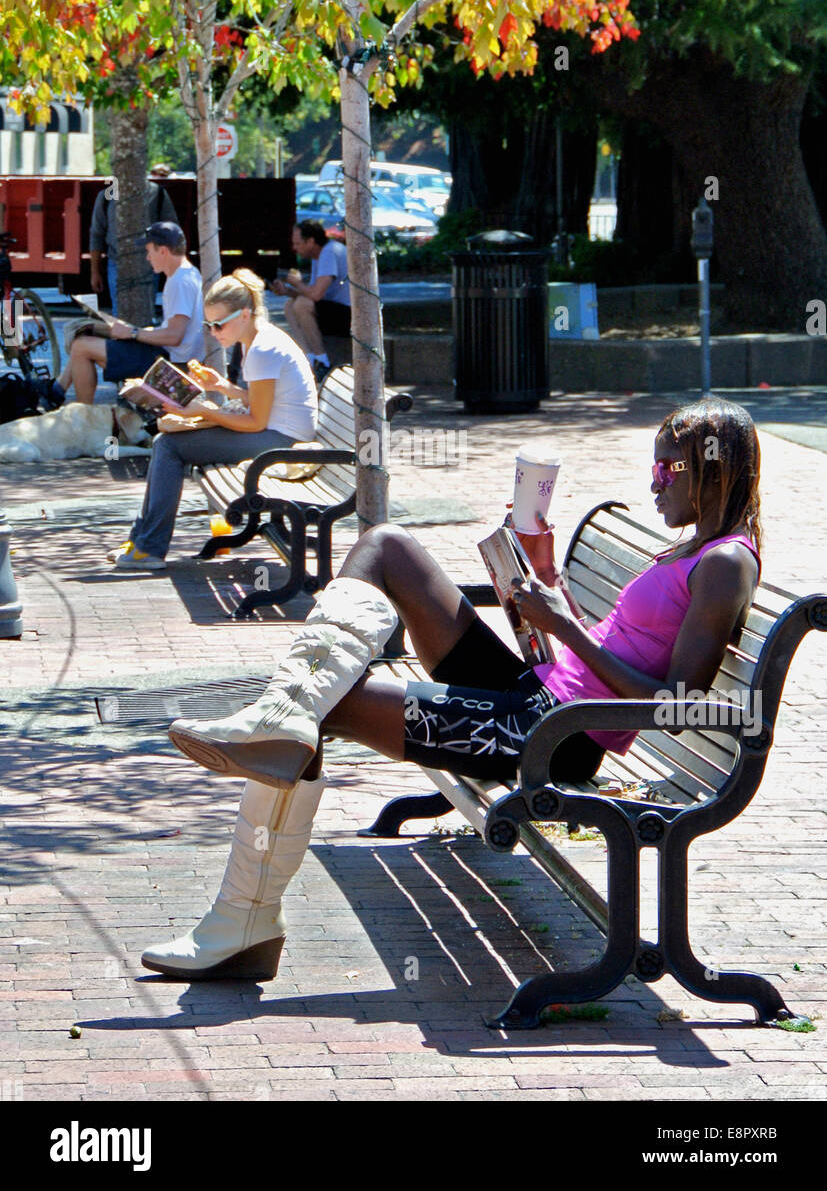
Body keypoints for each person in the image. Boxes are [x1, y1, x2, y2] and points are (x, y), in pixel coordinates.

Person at [140, 395, 763, 980]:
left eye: (665, 467)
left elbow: (676, 705)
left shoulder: (726, 562)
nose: (654, 481)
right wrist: (538, 578)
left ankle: (243, 917)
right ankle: (282, 719)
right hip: (537, 693)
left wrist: (565, 627)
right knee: (387, 547)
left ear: (710, 469)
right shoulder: (692, 548)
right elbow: (612, 642)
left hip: (554, 736)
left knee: (332, 706)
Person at [109, 267, 317, 571]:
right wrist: (222, 387)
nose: (213, 332)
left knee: (168, 446)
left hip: (281, 442)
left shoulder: (263, 349)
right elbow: (260, 402)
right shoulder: (258, 340)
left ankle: (148, 546)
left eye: (219, 325)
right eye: (208, 325)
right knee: (166, 443)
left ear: (244, 315)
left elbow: (256, 421)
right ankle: (143, 541)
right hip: (278, 433)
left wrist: (204, 410)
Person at [51, 222, 205, 407]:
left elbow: (174, 337)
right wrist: (139, 332)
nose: (147, 257)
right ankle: (57, 390)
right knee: (87, 337)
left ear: (163, 251)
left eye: (150, 251)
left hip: (170, 362)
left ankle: (84, 414)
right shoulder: (189, 273)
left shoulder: (178, 282)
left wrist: (133, 333)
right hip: (170, 354)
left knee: (81, 347)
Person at [270, 219, 351, 384]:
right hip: (334, 310)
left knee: (301, 304)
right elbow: (310, 294)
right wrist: (287, 291)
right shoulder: (318, 256)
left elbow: (316, 295)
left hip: (349, 315)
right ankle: (308, 358)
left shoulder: (329, 252)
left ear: (311, 241)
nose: (295, 248)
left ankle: (323, 362)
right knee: (290, 305)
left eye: (298, 243)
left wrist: (296, 283)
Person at [90, 169, 179, 315]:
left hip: (148, 264)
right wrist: (95, 272)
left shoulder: (156, 193)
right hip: (117, 263)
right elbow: (96, 235)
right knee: (120, 314)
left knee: (145, 313)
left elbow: (171, 230)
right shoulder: (106, 197)